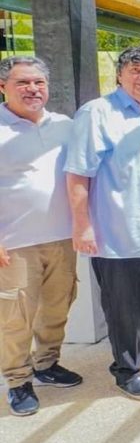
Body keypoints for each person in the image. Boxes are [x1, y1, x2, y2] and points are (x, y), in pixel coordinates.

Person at [65, 47, 140, 402]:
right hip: (121, 233)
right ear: (119, 74)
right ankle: (127, 370)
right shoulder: (97, 113)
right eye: (135, 70)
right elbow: (78, 173)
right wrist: (82, 225)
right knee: (124, 308)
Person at [0, 56, 81, 417]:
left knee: (57, 306)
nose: (33, 89)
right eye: (23, 83)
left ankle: (47, 364)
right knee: (14, 316)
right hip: (14, 243)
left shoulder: (65, 125)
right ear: (3, 86)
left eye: (39, 83)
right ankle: (17, 381)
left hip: (62, 238)